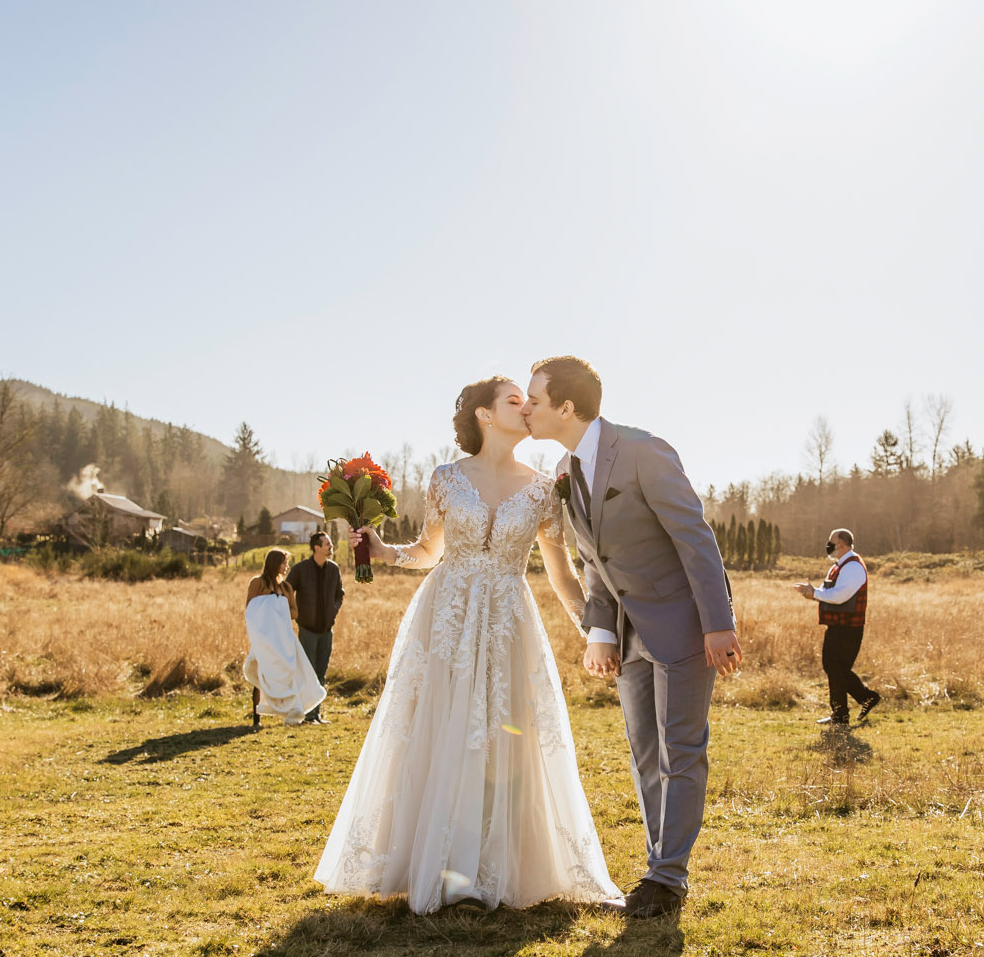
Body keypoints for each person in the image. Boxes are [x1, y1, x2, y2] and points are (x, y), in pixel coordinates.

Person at [315, 377, 622, 914]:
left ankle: (486, 867)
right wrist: (385, 553)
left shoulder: (544, 488)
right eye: (513, 400)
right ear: (483, 415)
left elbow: (562, 575)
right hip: (447, 616)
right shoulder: (445, 479)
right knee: (441, 730)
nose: (526, 406)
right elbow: (428, 551)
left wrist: (595, 628)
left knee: (501, 738)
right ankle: (439, 866)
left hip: (508, 620)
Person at [522, 356, 740, 919]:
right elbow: (595, 564)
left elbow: (696, 538)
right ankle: (657, 870)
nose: (527, 410)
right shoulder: (568, 474)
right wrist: (600, 632)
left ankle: (667, 881)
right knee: (646, 752)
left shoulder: (644, 450)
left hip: (684, 625)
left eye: (536, 401)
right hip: (626, 634)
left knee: (681, 750)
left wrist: (719, 624)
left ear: (567, 407)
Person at [795, 528, 880, 726]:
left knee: (836, 668)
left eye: (831, 542)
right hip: (838, 626)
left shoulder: (853, 567)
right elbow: (828, 592)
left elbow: (840, 596)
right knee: (834, 668)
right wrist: (812, 592)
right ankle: (847, 710)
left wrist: (814, 593)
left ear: (842, 545)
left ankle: (856, 704)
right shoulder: (838, 566)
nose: (829, 546)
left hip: (849, 628)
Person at [242, 549, 326, 729]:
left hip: (282, 637)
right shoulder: (258, 584)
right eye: (283, 562)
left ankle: (291, 709)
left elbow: (294, 612)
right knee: (262, 669)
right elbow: (251, 608)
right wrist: (271, 607)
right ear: (274, 563)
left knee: (289, 671)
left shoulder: (286, 588)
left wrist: (279, 608)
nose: (286, 566)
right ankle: (257, 717)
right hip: (265, 636)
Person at [287, 530, 344, 724]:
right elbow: (288, 590)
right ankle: (307, 714)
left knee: (321, 672)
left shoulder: (334, 569)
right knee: (308, 673)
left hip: (326, 630)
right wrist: (295, 612)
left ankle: (316, 714)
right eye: (327, 544)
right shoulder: (300, 569)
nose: (331, 546)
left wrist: (333, 611)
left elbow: (339, 594)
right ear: (316, 548)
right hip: (307, 631)